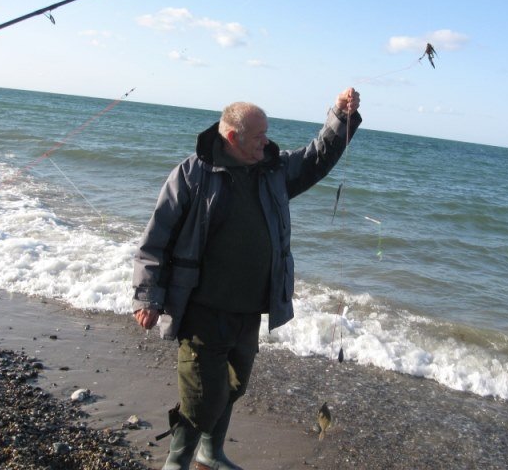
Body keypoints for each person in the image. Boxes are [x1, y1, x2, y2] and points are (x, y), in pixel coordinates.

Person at [132, 87, 361, 470]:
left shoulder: (273, 170)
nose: (267, 141)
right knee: (202, 395)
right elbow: (155, 238)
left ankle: (210, 451)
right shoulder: (191, 174)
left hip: (250, 309)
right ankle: (178, 461)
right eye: (259, 136)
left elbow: (317, 158)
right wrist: (147, 297)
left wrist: (340, 115)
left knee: (235, 386)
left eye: (267, 134)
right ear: (233, 138)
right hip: (202, 310)